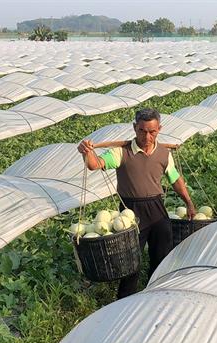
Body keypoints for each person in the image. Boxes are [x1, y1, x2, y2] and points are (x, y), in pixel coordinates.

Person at [77, 108, 195, 299]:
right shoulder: (120, 152)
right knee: (130, 261)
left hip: (157, 209)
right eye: (142, 131)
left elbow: (175, 179)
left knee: (162, 254)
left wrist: (188, 202)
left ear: (159, 129)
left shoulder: (164, 154)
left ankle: (156, 292)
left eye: (152, 132)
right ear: (134, 128)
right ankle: (125, 299)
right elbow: (95, 164)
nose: (147, 136)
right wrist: (87, 152)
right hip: (130, 212)